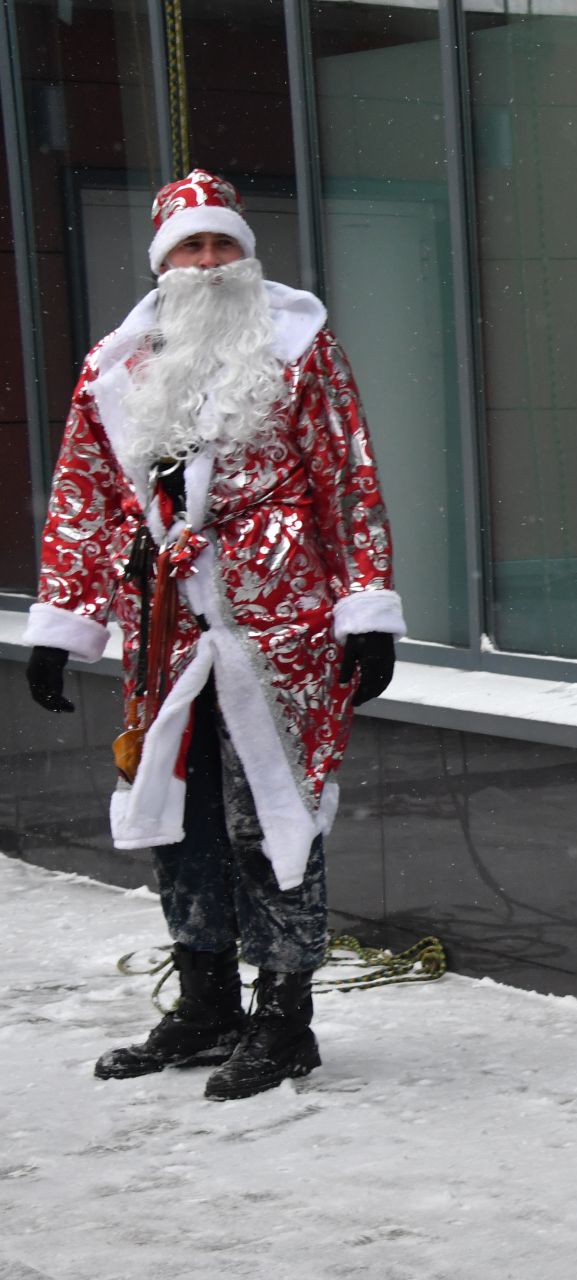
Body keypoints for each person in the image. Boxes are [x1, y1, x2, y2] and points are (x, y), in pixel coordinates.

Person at [21, 169, 404, 1099]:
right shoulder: (114, 367)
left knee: (271, 815)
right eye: (189, 248)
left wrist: (367, 606)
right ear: (164, 262)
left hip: (283, 627)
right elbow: (86, 498)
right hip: (165, 631)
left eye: (221, 245)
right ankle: (205, 1004)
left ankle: (284, 1018)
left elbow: (347, 481)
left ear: (246, 254)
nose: (206, 263)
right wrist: (62, 627)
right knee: (180, 818)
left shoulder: (302, 348)